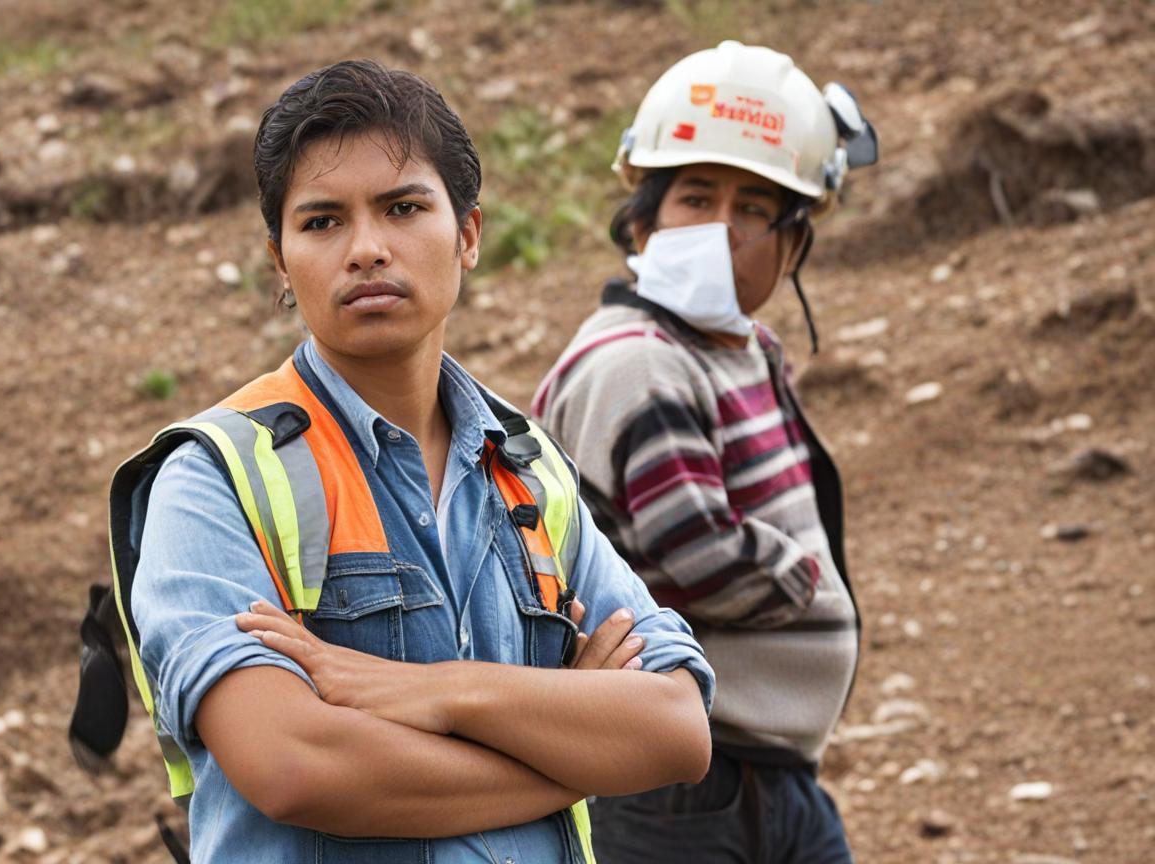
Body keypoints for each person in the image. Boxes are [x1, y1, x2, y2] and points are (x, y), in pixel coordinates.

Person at [100, 60, 716, 863]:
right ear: (280, 263)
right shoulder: (215, 479)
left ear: (467, 234)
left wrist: (428, 692)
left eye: (403, 208)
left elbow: (674, 729)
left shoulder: (527, 468)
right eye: (322, 221)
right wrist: (572, 751)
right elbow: (296, 764)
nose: (366, 249)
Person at [531, 41, 880, 863]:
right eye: (694, 197)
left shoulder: (731, 348)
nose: (720, 230)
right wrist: (808, 581)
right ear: (644, 219)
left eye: (753, 207)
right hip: (675, 784)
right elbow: (693, 554)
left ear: (794, 241)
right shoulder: (640, 361)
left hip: (760, 777)